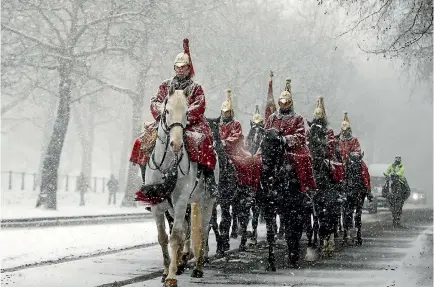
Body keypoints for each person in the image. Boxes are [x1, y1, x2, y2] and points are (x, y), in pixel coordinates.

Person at [137, 38, 218, 197]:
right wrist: (165, 114)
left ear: (189, 68)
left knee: (205, 142)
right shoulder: (165, 85)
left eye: (184, 67)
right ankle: (147, 180)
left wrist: (183, 116)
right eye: (177, 67)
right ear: (174, 68)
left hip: (191, 124)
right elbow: (156, 102)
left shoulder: (196, 88)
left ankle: (208, 179)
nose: (180, 70)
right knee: (142, 141)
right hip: (166, 121)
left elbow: (199, 106)